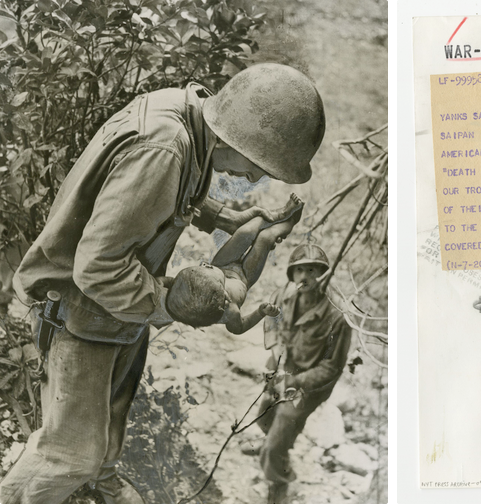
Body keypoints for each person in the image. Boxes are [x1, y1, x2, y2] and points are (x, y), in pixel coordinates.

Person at [1, 63, 326, 504]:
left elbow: (157, 192)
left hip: (118, 306)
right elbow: (97, 268)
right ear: (238, 136)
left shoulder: (189, 118)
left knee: (111, 422)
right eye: (261, 165)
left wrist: (225, 217)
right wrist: (174, 303)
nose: (256, 178)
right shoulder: (166, 147)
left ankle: (100, 483)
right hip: (83, 311)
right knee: (70, 453)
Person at [254, 244, 351, 504]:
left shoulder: (337, 315)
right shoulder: (285, 294)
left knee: (284, 423)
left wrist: (294, 382)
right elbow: (271, 319)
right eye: (299, 271)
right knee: (263, 416)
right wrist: (274, 348)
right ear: (292, 275)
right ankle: (272, 445)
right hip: (282, 367)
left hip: (310, 385)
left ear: (324, 274)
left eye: (313, 270)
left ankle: (280, 481)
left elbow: (332, 368)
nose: (305, 277)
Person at [166, 194, 304, 334]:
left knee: (246, 231)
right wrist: (260, 312)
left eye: (204, 266)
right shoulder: (230, 313)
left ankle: (281, 214)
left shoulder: (183, 290)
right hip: (244, 276)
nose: (206, 265)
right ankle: (291, 221)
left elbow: (168, 282)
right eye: (207, 267)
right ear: (225, 299)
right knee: (266, 237)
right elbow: (239, 328)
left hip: (223, 263)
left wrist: (161, 281)